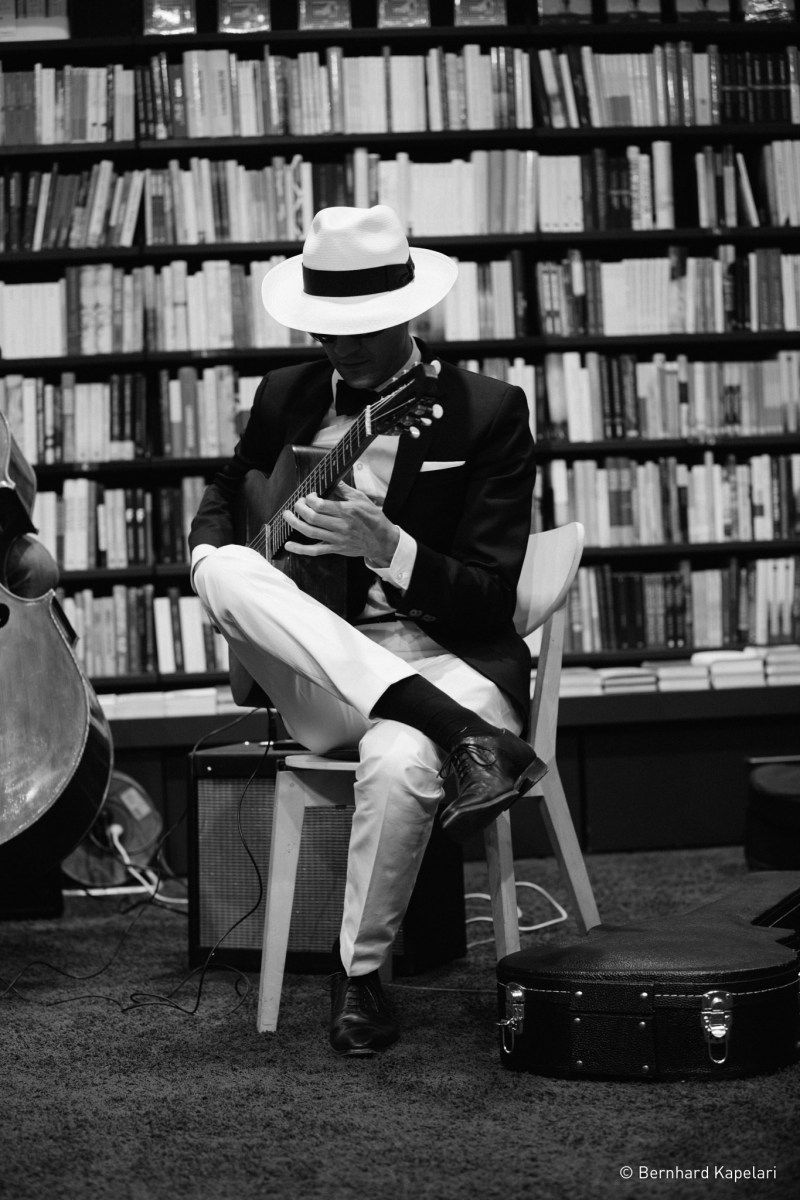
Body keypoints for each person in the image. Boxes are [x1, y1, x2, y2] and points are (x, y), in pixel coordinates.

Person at [189, 204, 545, 1056]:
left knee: (400, 755)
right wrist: (210, 550)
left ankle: (361, 979)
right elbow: (226, 491)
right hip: (324, 670)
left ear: (407, 313)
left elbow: (492, 599)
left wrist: (392, 549)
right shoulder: (285, 394)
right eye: (325, 328)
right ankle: (464, 736)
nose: (338, 346)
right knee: (221, 568)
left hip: (447, 655)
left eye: (359, 329)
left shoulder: (487, 411)